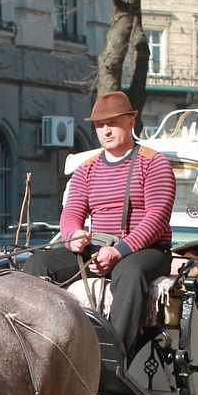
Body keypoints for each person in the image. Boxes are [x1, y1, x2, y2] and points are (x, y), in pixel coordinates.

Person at [24, 90, 176, 352]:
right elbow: (71, 212)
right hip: (98, 247)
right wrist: (74, 235)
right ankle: (38, 345)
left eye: (112, 123)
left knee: (131, 272)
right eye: (99, 125)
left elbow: (157, 218)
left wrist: (120, 252)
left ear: (131, 121)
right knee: (38, 263)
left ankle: (114, 354)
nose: (106, 130)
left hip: (145, 251)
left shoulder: (154, 163)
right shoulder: (88, 168)